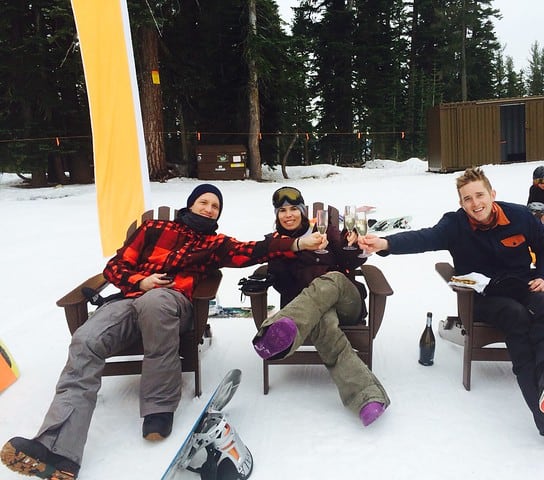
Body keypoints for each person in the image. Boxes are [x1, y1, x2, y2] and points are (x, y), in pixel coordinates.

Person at [1, 184, 326, 480]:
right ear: (190, 204)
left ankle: (159, 407)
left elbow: (252, 250)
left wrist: (298, 242)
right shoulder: (153, 229)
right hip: (129, 299)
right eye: (204, 202)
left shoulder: (215, 243)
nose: (209, 209)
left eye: (215, 206)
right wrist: (139, 281)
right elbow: (115, 267)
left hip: (171, 301)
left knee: (157, 303)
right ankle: (58, 451)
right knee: (86, 341)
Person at [359, 167, 544, 447]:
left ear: (492, 194)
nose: (475, 203)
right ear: (461, 203)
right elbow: (423, 238)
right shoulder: (454, 225)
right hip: (484, 298)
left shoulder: (520, 216)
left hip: (523, 285)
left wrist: (543, 275)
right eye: (467, 199)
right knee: (517, 317)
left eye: (480, 195)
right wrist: (385, 242)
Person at [251, 187, 390, 426]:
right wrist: (296, 250)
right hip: (311, 311)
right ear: (276, 215)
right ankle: (367, 398)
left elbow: (349, 260)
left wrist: (355, 247)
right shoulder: (276, 244)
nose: (288, 215)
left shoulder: (326, 231)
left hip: (347, 302)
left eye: (294, 208)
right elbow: (284, 287)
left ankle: (275, 332)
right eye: (282, 210)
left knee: (333, 279)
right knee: (324, 322)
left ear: (303, 211)